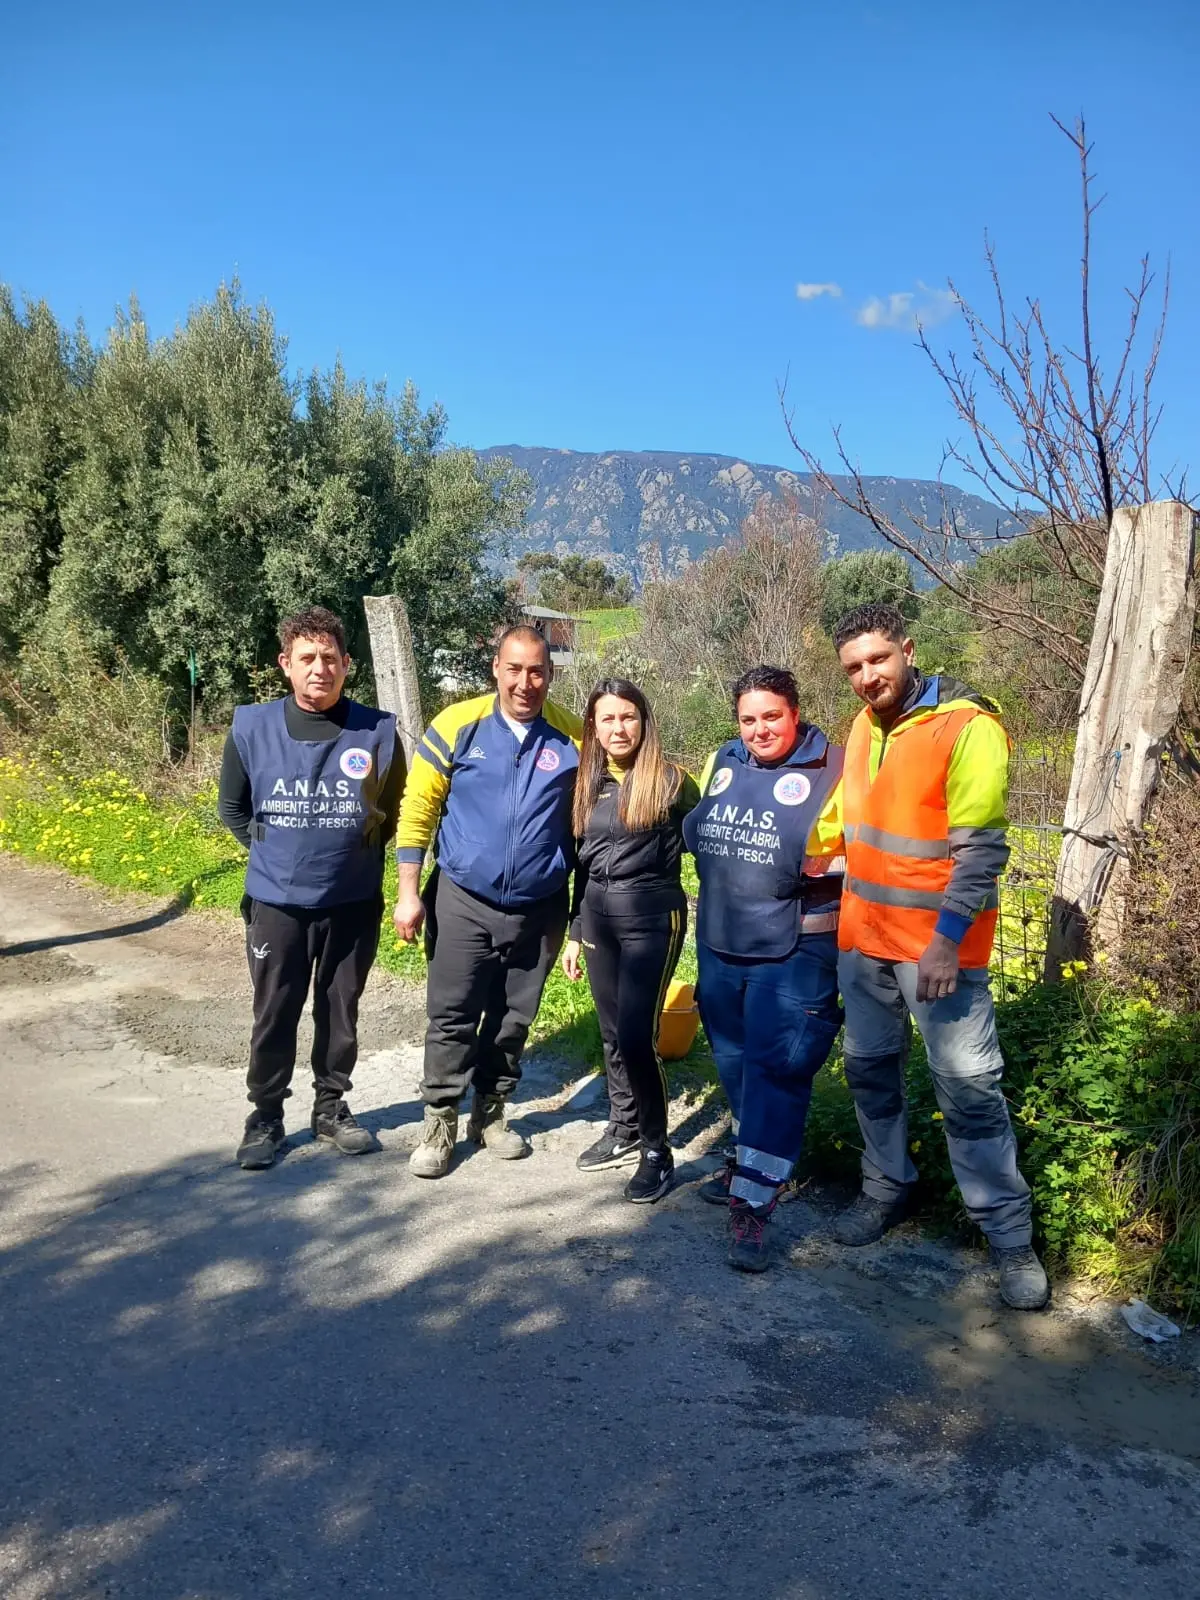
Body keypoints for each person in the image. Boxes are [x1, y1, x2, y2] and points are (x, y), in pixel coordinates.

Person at [831, 601, 1049, 1311]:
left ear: (908, 650)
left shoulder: (968, 727)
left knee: (969, 1089)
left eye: (878, 660)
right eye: (855, 667)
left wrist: (948, 944)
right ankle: (885, 1187)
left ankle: (1009, 1238)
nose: (868, 677)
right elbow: (847, 825)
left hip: (936, 954)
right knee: (869, 1075)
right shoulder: (862, 728)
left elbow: (981, 849)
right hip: (862, 941)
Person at [393, 624, 582, 1177]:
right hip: (462, 898)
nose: (527, 682)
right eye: (515, 669)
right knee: (452, 1015)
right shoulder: (457, 724)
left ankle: (491, 1114)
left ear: (550, 673)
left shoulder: (572, 736)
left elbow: (622, 779)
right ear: (496, 668)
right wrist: (408, 892)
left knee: (512, 1019)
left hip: (540, 904)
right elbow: (417, 810)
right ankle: (439, 1119)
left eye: (538, 671)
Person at [219, 605, 403, 1170]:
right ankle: (265, 1117)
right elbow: (232, 808)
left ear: (347, 664)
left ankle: (331, 1107)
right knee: (275, 1010)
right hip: (277, 904)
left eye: (330, 658)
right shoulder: (251, 727)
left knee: (340, 1008)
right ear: (286, 665)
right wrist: (277, 855)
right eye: (307, 658)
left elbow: (388, 812)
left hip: (351, 901)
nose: (319, 668)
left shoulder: (377, 730)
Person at [682, 666, 845, 1271]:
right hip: (722, 943)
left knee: (778, 1072)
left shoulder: (837, 769)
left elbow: (857, 858)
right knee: (735, 1063)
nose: (759, 729)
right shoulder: (722, 761)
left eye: (772, 715)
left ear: (795, 712)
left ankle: (752, 1208)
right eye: (748, 719)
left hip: (796, 950)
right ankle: (751, 1163)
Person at [560, 679, 701, 1203]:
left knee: (639, 1037)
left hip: (650, 916)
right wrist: (575, 931)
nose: (619, 728)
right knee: (612, 1031)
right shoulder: (585, 782)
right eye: (607, 719)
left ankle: (656, 1151)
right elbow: (580, 865)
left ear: (644, 721)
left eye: (628, 717)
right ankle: (623, 1125)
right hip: (597, 917)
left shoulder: (673, 782)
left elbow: (710, 850)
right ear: (593, 727)